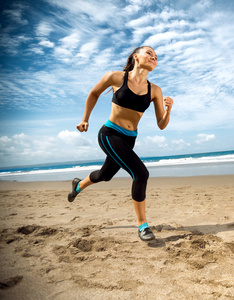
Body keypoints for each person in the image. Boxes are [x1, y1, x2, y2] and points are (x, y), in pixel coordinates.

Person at [67, 46, 173, 242]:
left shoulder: (154, 90)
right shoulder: (116, 77)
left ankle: (78, 185)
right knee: (141, 173)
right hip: (110, 134)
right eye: (149, 53)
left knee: (105, 175)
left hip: (129, 138)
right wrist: (85, 119)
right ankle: (143, 226)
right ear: (135, 56)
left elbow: (161, 125)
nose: (153, 57)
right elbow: (94, 93)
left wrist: (168, 110)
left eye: (156, 56)